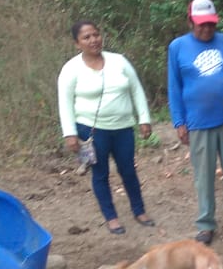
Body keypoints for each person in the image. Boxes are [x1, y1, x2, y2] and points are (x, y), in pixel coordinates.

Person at [168, 0, 223, 245]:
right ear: (190, 21)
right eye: (201, 24)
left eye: (211, 23)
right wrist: (179, 121)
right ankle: (206, 224)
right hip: (198, 122)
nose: (207, 29)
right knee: (204, 176)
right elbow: (174, 87)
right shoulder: (178, 47)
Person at [58, 20, 155, 235]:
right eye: (86, 37)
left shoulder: (119, 61)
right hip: (91, 132)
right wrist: (70, 134)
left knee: (128, 170)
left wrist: (144, 119)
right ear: (77, 43)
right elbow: (64, 103)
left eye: (96, 35)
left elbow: (136, 90)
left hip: (123, 128)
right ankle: (111, 217)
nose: (93, 40)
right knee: (100, 173)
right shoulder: (71, 69)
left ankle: (139, 211)